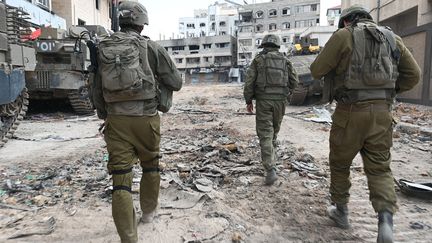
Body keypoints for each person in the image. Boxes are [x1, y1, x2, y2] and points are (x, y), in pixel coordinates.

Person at [310, 5, 420, 243]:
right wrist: (387, 91)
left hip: (349, 112)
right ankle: (386, 222)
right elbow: (414, 75)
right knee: (380, 168)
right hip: (382, 114)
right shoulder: (392, 38)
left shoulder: (343, 35)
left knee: (340, 163)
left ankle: (340, 212)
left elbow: (317, 69)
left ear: (346, 21)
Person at [91, 1, 182, 242]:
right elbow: (176, 82)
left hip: (116, 122)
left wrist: (106, 115)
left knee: (120, 180)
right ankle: (149, 213)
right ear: (142, 22)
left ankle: (129, 238)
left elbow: (95, 87)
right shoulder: (151, 47)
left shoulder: (103, 48)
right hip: (146, 120)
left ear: (121, 21)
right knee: (150, 165)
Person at [243, 34, 299, 185]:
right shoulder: (285, 60)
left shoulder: (258, 60)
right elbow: (295, 81)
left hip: (264, 102)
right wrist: (287, 95)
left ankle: (270, 169)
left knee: (265, 135)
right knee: (273, 133)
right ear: (277, 45)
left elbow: (249, 82)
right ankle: (272, 162)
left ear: (264, 46)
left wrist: (248, 100)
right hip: (280, 102)